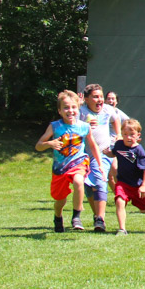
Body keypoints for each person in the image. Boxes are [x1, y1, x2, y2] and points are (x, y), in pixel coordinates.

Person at [35, 90, 101, 232]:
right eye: (66, 107)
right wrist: (49, 144)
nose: (70, 111)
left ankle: (76, 216)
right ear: (59, 111)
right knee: (60, 200)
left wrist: (100, 164)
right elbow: (38, 146)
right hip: (60, 168)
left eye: (73, 107)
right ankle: (58, 217)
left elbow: (93, 145)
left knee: (79, 181)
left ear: (78, 109)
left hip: (78, 162)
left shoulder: (84, 126)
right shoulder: (55, 126)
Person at [78, 84, 120, 232]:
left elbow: (116, 119)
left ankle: (101, 218)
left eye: (101, 96)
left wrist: (118, 135)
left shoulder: (108, 109)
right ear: (87, 99)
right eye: (95, 97)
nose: (100, 100)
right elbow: (73, 128)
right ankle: (97, 216)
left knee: (101, 181)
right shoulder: (81, 112)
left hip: (103, 153)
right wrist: (84, 125)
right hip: (84, 156)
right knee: (89, 187)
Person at [107, 119, 145, 234]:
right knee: (119, 201)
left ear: (138, 135)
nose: (128, 137)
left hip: (137, 185)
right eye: (125, 134)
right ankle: (122, 229)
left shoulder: (138, 150)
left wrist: (144, 185)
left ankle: (136, 201)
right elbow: (114, 152)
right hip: (123, 183)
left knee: (144, 210)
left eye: (132, 135)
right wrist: (108, 153)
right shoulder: (119, 144)